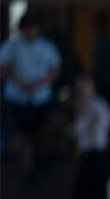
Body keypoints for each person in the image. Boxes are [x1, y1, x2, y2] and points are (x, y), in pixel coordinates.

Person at [0, 8, 62, 184]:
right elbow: (3, 67)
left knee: (43, 129)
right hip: (18, 97)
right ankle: (27, 169)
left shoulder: (46, 45)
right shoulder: (12, 46)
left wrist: (42, 82)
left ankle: (40, 158)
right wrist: (18, 82)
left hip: (40, 95)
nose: (30, 32)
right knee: (23, 134)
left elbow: (56, 68)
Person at [65, 74, 110, 199]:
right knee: (83, 198)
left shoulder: (98, 104)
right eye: (78, 89)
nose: (81, 92)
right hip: (86, 156)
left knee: (97, 197)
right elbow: (74, 133)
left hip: (99, 155)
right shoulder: (79, 107)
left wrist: (90, 114)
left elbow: (108, 122)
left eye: (84, 88)